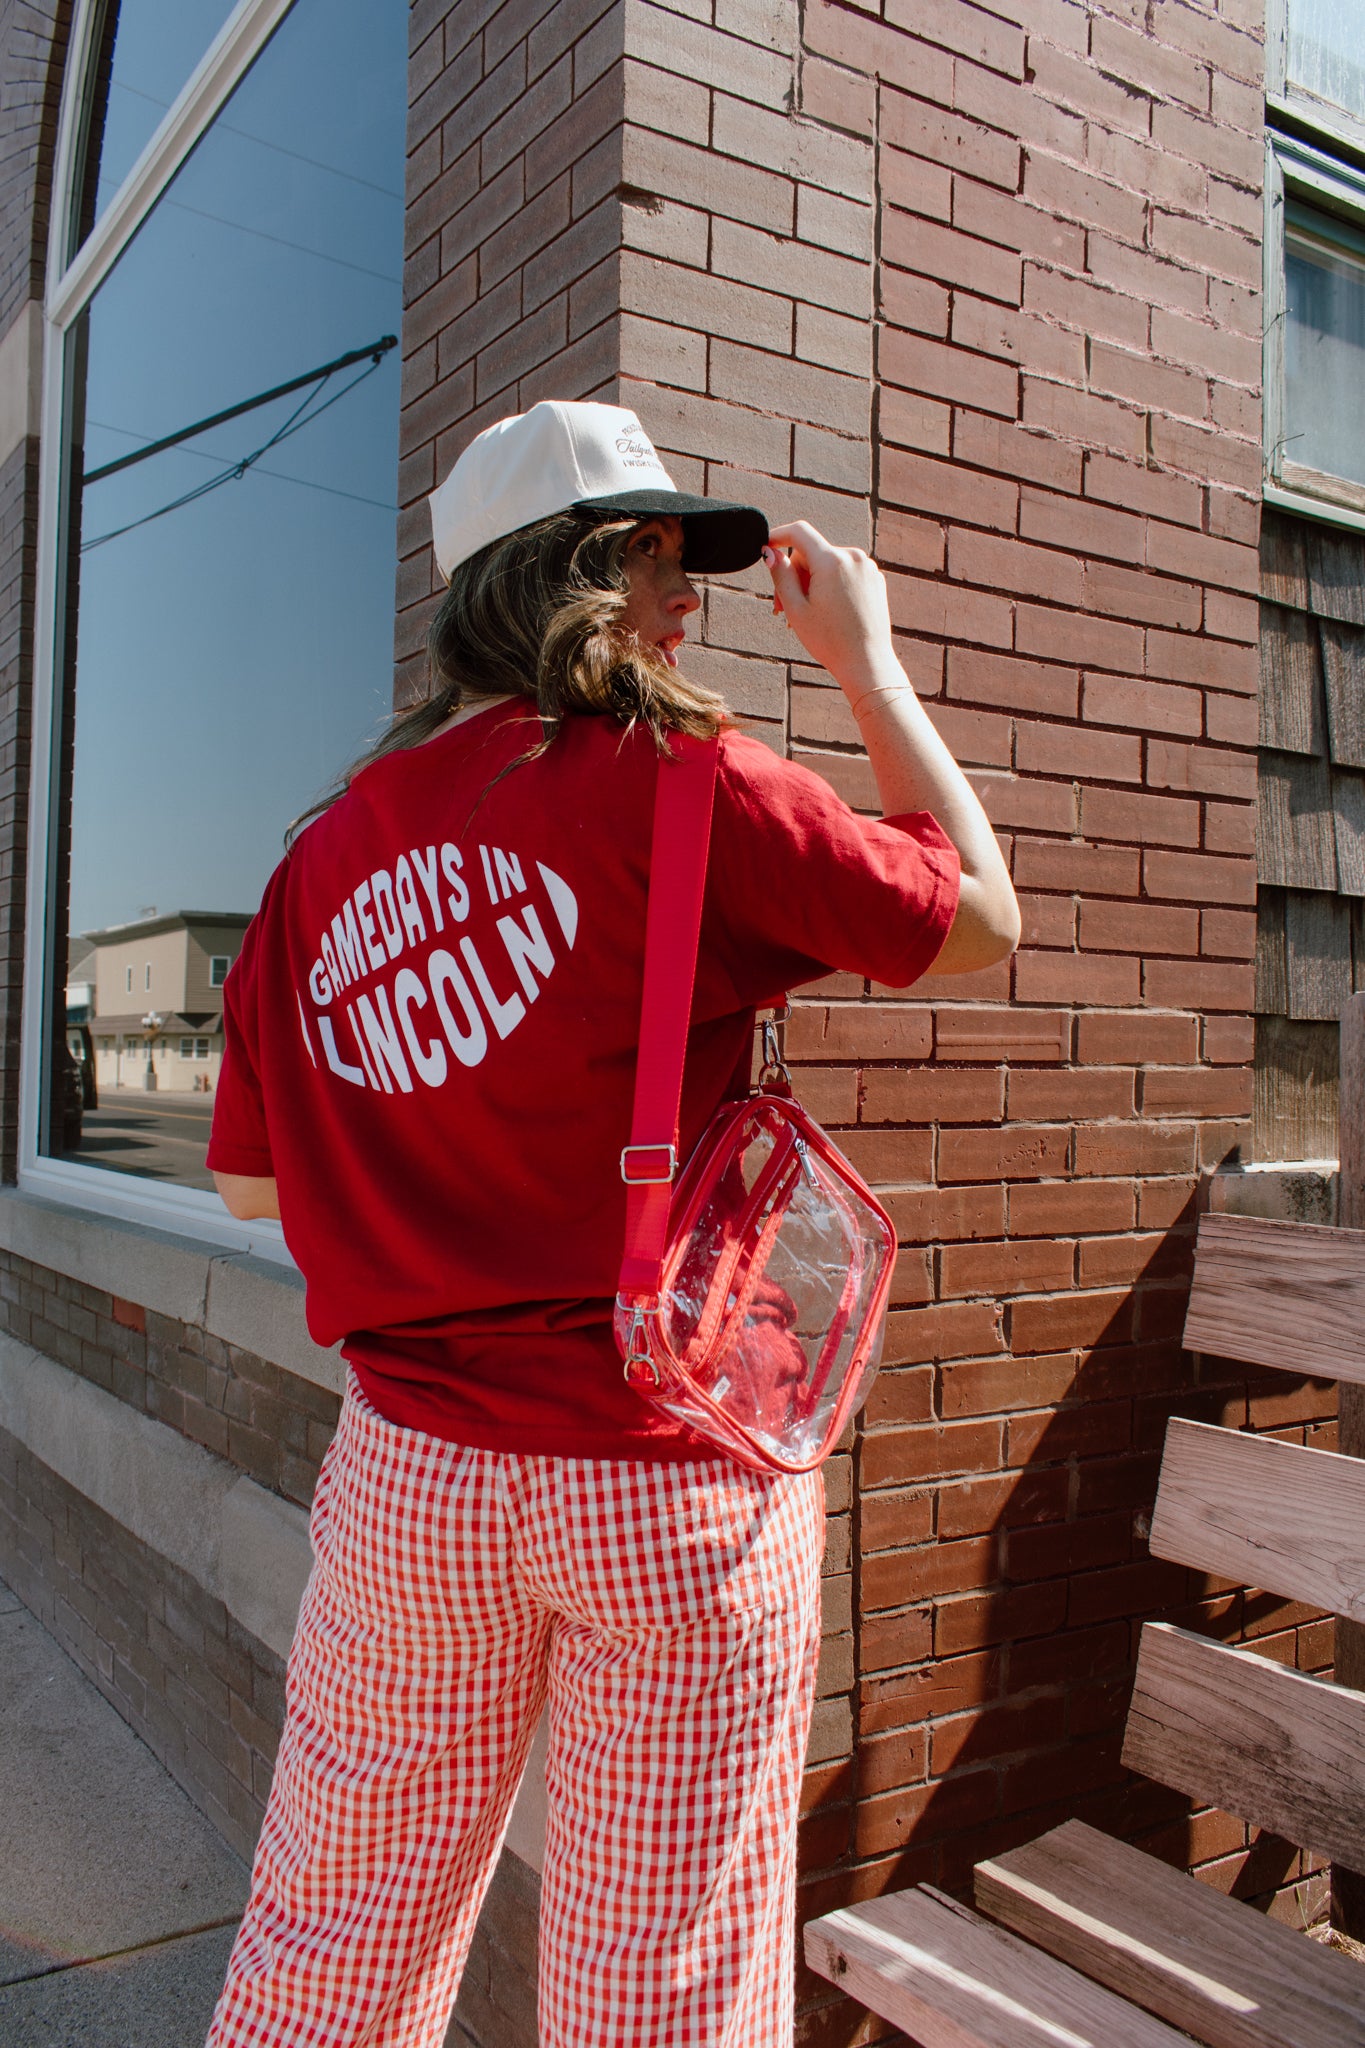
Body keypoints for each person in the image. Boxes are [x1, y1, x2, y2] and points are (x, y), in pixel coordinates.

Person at [203, 399, 1018, 2048]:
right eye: (659, 555)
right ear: (573, 570)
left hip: (411, 1486)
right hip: (665, 1478)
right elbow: (978, 923)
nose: (688, 596)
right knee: (658, 1987)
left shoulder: (317, 865)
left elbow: (249, 1186)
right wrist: (867, 665)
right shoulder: (685, 786)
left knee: (334, 1936)